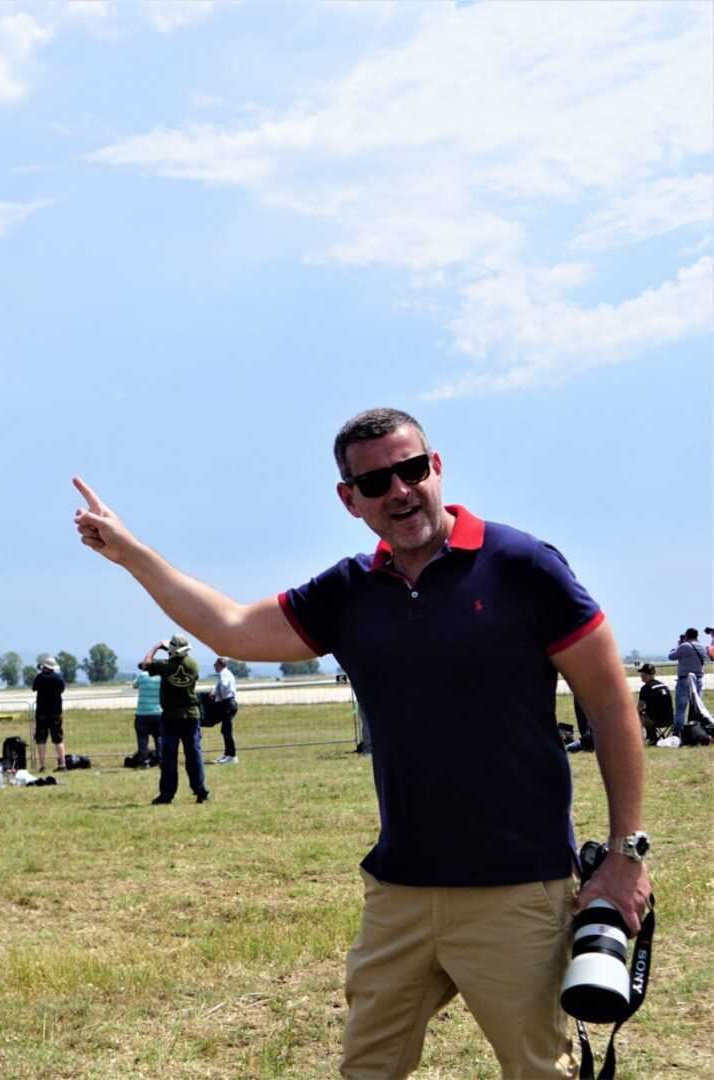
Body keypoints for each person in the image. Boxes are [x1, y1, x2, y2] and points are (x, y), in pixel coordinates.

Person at [73, 406, 650, 1079]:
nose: (399, 491)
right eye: (375, 483)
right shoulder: (348, 591)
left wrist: (626, 855)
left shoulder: (523, 566)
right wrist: (131, 554)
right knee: (367, 1068)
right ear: (350, 500)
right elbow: (230, 627)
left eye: (411, 470)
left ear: (437, 468)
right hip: (398, 892)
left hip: (517, 889)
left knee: (537, 1071)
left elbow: (611, 705)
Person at [141, 636, 209, 805]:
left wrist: (157, 646)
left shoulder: (165, 666)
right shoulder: (194, 664)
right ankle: (200, 790)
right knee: (194, 755)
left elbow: (145, 664)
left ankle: (167, 794)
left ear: (172, 649)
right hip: (191, 716)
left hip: (171, 717)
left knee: (169, 758)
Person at [668, 628, 712, 736]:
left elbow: (671, 656)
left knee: (681, 708)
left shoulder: (684, 646)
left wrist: (678, 645)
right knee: (696, 708)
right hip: (698, 680)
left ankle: (677, 732)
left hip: (685, 679)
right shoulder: (702, 647)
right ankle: (695, 731)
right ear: (697, 636)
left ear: (687, 636)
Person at [30, 656, 67, 770]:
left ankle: (42, 766)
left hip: (42, 713)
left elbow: (34, 688)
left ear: (45, 667)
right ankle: (62, 764)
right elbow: (62, 689)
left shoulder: (40, 677)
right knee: (58, 739)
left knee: (41, 740)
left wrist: (40, 674)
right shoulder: (58, 678)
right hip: (56, 713)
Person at [210, 656, 240, 764]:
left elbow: (223, 686)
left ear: (219, 665)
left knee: (227, 731)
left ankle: (232, 756)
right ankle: (227, 754)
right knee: (225, 730)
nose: (214, 666)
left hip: (227, 703)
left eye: (215, 664)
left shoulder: (223, 674)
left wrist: (218, 697)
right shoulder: (227, 673)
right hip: (230, 703)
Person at [132, 665, 163, 763]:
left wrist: (142, 672)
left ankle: (143, 760)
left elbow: (134, 685)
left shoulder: (142, 675)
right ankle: (161, 758)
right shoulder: (161, 677)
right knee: (159, 737)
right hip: (158, 712)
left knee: (142, 738)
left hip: (142, 713)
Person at [636, 663, 673, 742]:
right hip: (670, 720)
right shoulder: (663, 685)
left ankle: (651, 737)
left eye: (642, 673)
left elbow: (640, 707)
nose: (641, 675)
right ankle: (652, 737)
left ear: (646, 674)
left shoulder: (646, 688)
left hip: (656, 721)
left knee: (638, 715)